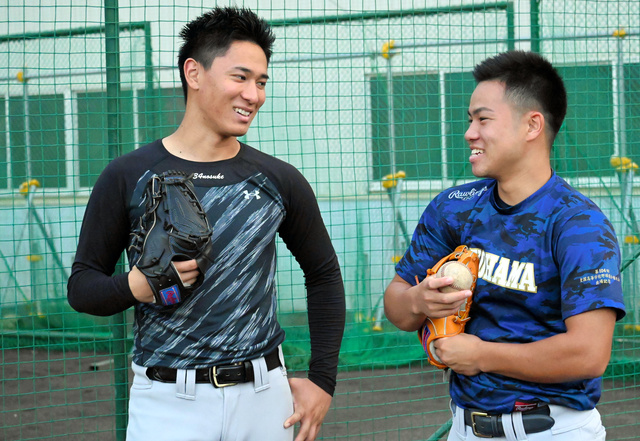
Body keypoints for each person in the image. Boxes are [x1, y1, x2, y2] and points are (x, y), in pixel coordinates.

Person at [67, 7, 345, 441]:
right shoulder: (128, 175)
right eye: (240, 77)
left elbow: (324, 274)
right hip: (167, 401)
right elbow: (82, 287)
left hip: (264, 397)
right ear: (193, 73)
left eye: (261, 81)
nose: (253, 94)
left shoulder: (278, 179)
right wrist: (137, 285)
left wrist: (322, 381)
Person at [384, 50, 626, 441]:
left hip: (554, 430)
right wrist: (418, 301)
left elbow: (589, 354)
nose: (469, 133)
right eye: (469, 120)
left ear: (532, 125)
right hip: (466, 428)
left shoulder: (578, 223)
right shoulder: (454, 207)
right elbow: (396, 303)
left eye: (483, 119)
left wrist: (480, 355)